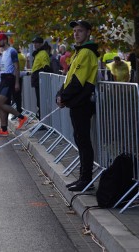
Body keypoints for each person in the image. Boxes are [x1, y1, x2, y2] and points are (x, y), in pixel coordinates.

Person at [56, 20, 99, 192]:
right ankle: (83, 178)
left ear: (88, 32)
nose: (76, 33)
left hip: (82, 103)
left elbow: (78, 81)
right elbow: (68, 78)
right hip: (76, 103)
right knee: (80, 141)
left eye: (80, 30)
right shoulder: (79, 52)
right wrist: (60, 95)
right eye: (74, 31)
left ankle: (86, 180)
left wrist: (63, 97)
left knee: (84, 142)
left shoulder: (87, 52)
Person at [0, 33, 28, 136]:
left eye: (0, 40)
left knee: (0, 103)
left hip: (9, 79)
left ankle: (21, 117)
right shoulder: (4, 52)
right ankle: (4, 129)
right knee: (0, 105)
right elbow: (5, 67)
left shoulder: (12, 51)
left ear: (5, 40)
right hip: (3, 78)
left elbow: (17, 67)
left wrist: (17, 82)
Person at [31, 37, 52, 118]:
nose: (35, 45)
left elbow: (46, 67)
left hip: (40, 82)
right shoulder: (38, 53)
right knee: (39, 102)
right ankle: (41, 120)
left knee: (41, 102)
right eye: (34, 43)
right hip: (37, 81)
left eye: (36, 43)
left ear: (40, 44)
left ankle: (43, 121)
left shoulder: (42, 53)